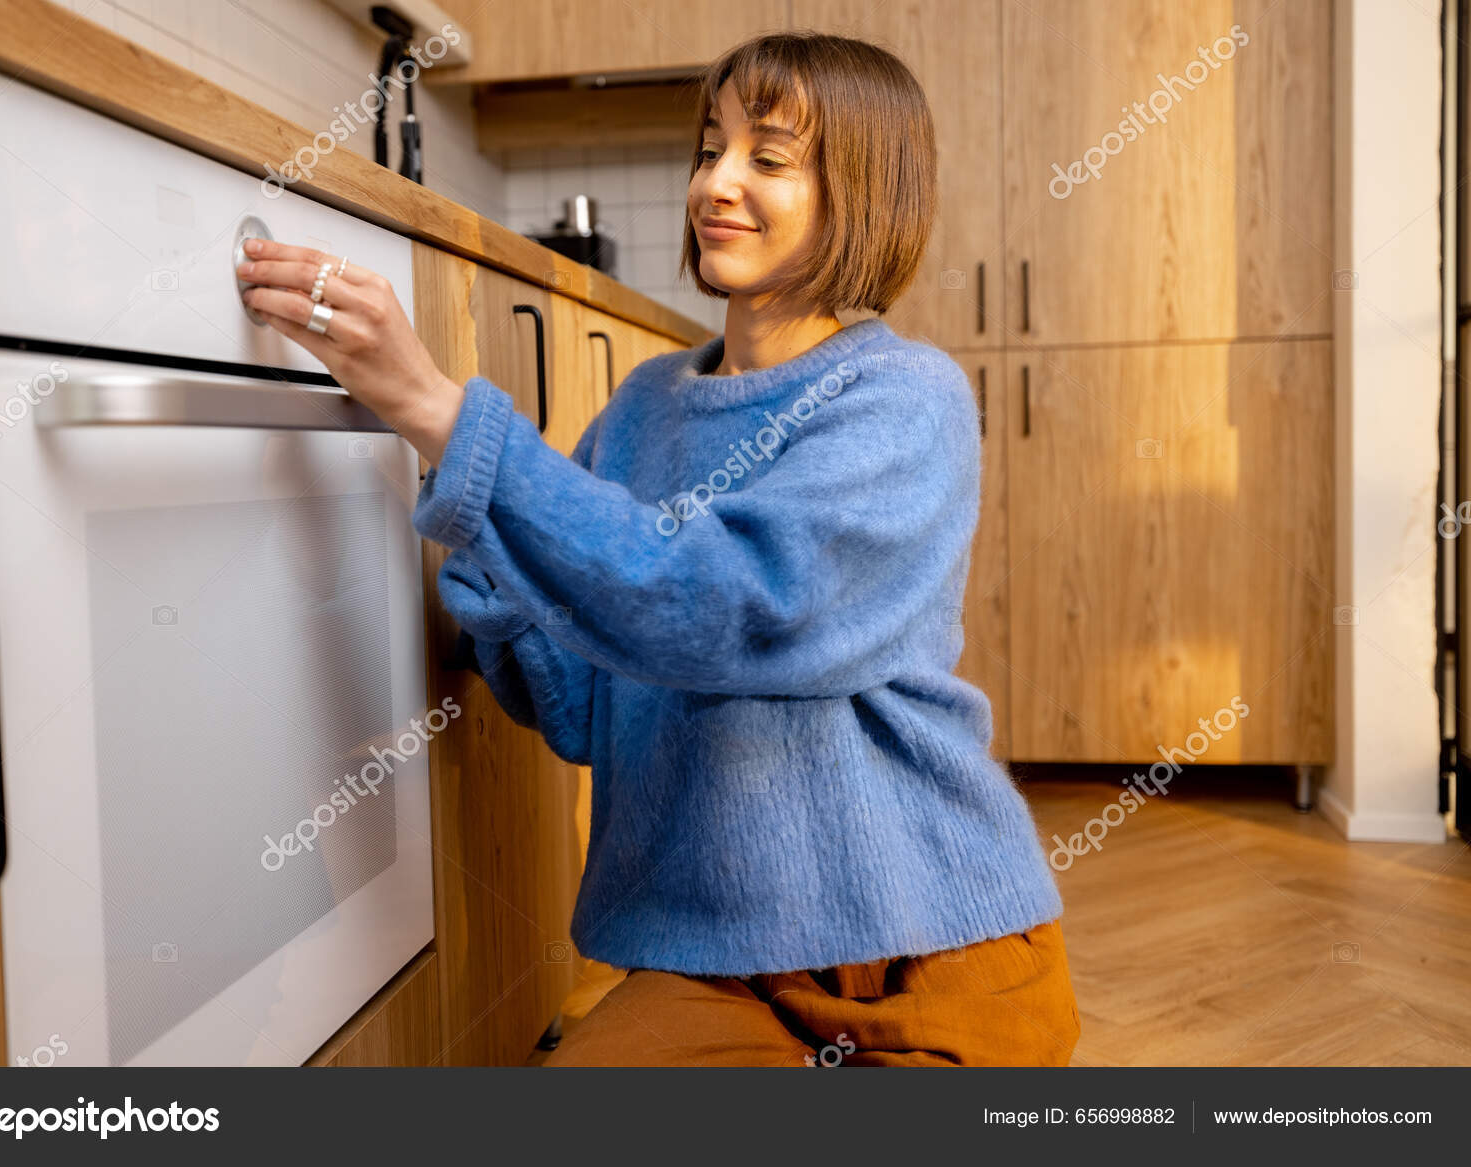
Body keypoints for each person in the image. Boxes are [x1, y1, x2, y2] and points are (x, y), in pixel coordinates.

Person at [237, 30, 1079, 1068]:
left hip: (929, 951)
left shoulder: (906, 401)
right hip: (712, 967)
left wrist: (448, 421)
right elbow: (580, 701)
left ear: (863, 192)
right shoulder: (643, 410)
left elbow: (728, 608)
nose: (716, 184)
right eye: (708, 149)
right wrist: (466, 514)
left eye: (767, 159)